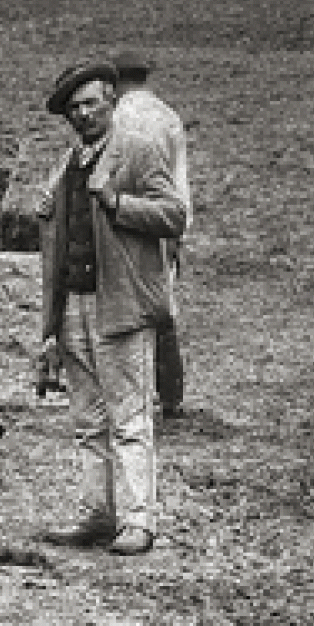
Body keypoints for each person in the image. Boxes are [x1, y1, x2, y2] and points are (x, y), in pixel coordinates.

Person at [35, 60, 188, 557]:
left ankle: (140, 521)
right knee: (87, 420)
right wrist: (49, 325)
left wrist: (118, 204)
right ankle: (96, 515)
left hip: (120, 302)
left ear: (111, 103)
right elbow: (56, 247)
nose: (83, 114)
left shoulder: (138, 152)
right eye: (74, 108)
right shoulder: (67, 166)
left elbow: (174, 215)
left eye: (92, 104)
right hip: (74, 304)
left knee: (130, 418)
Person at [111, 47, 192, 419]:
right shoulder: (168, 117)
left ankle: (129, 392)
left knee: (121, 305)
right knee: (163, 307)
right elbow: (179, 182)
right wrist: (179, 232)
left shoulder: (113, 116)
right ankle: (171, 394)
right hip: (162, 220)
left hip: (121, 217)